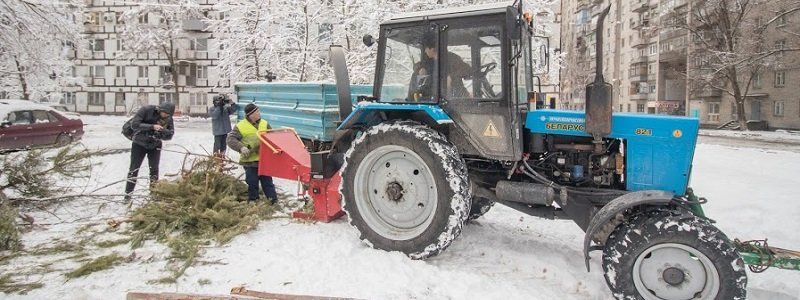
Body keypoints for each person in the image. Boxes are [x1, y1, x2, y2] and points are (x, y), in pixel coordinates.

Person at [227, 103, 278, 203]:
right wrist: (241, 148)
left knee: (267, 181)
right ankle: (253, 200)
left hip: (263, 160)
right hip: (249, 160)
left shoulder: (264, 123)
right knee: (252, 182)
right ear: (251, 114)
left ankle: (273, 201)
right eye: (257, 112)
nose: (259, 113)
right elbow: (230, 139)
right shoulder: (240, 126)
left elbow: (273, 137)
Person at [124, 102, 175, 199]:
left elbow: (170, 135)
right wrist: (152, 127)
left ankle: (153, 193)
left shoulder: (168, 118)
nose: (165, 116)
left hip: (155, 145)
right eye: (164, 113)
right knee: (134, 169)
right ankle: (128, 195)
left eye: (168, 115)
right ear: (160, 110)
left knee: (154, 170)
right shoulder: (146, 110)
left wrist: (162, 132)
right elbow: (135, 125)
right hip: (139, 143)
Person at [411, 32, 471, 100]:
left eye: (426, 48)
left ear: (432, 49)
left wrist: (451, 76)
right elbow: (417, 65)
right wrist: (419, 69)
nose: (425, 51)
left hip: (454, 94)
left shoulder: (452, 58)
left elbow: (466, 69)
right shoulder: (428, 61)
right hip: (434, 94)